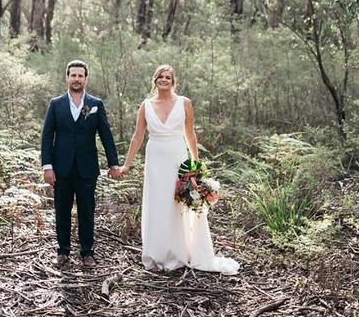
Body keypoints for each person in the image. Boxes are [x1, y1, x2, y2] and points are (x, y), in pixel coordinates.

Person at [118, 64, 239, 274]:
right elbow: (137, 136)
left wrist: (196, 164)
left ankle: (181, 251)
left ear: (173, 81)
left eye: (167, 77)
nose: (163, 80)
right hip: (155, 159)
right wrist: (127, 164)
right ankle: (158, 253)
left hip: (177, 157)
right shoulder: (146, 105)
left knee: (179, 202)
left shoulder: (184, 103)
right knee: (158, 204)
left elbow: (190, 134)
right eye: (160, 77)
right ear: (154, 80)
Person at [41, 60, 121, 269]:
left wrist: (113, 163)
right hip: (61, 168)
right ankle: (63, 251)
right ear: (67, 77)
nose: (77, 79)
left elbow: (106, 135)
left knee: (86, 210)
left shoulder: (96, 104)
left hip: (87, 168)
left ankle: (87, 252)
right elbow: (47, 137)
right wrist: (47, 166)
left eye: (80, 76)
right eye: (73, 75)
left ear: (86, 78)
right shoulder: (55, 104)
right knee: (62, 210)